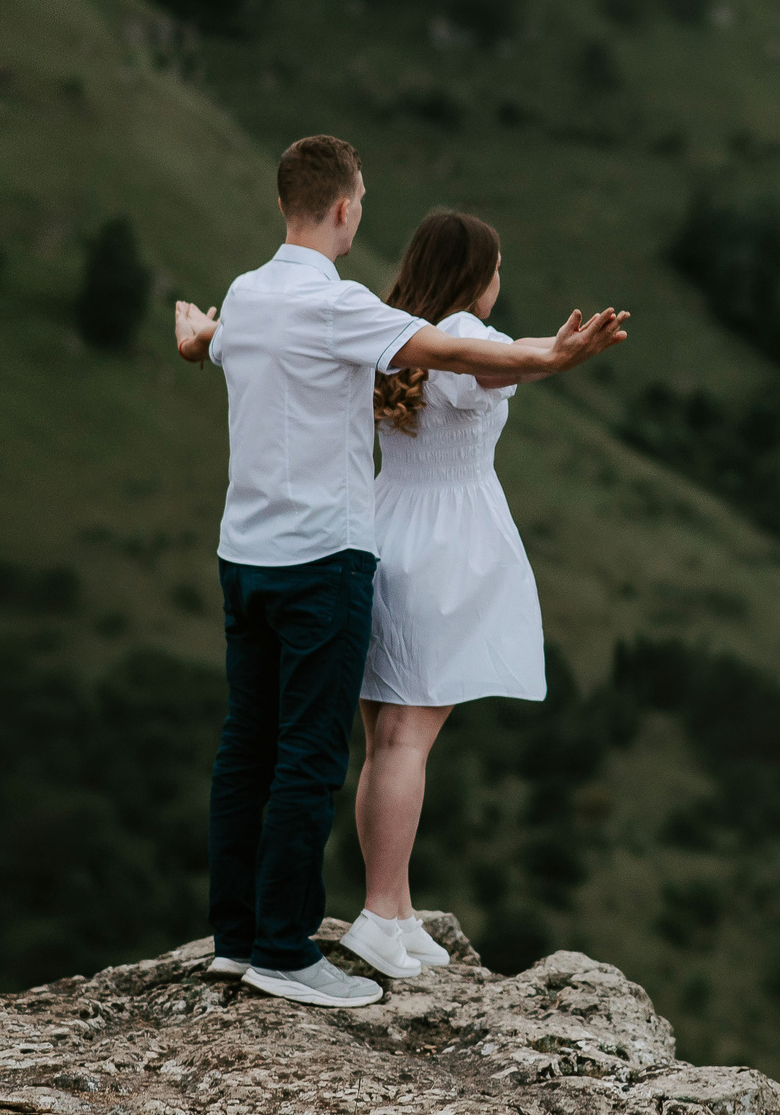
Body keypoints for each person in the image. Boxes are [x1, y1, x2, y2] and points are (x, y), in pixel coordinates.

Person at [171, 134, 628, 1008]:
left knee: (247, 752)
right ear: (344, 208)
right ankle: (288, 946)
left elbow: (221, 342)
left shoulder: (248, 294)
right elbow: (459, 352)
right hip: (325, 558)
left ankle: (241, 937)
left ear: (282, 204)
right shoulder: (338, 307)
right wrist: (555, 358)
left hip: (246, 558)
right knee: (313, 756)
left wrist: (195, 338)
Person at [334, 211, 546, 981]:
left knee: (383, 738)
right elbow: (506, 365)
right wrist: (560, 352)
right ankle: (381, 915)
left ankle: (395, 903)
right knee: (407, 739)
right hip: (447, 545)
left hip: (384, 530)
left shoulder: (390, 330)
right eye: (496, 267)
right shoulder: (460, 332)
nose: (501, 281)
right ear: (472, 275)